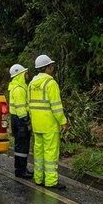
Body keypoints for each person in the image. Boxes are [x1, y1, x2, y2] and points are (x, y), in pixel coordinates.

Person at [28, 54, 68, 190]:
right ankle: (51, 181)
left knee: (38, 153)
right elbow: (56, 106)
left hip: (37, 124)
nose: (53, 68)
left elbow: (29, 105)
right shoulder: (50, 83)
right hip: (49, 125)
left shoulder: (31, 84)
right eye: (52, 66)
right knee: (50, 153)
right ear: (47, 68)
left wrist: (31, 121)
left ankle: (38, 178)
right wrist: (63, 121)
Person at [8, 63, 33, 178]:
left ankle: (21, 168)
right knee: (22, 146)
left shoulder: (16, 88)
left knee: (20, 145)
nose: (27, 75)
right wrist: (27, 122)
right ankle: (20, 170)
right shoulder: (19, 90)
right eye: (25, 73)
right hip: (20, 120)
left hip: (16, 119)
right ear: (20, 75)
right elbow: (21, 109)